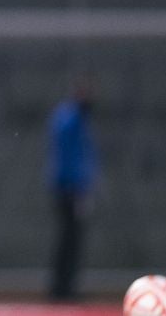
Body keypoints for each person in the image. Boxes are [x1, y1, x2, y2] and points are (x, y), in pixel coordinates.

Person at [47, 79, 99, 300]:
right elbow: (70, 156)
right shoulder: (69, 117)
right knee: (68, 240)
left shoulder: (75, 118)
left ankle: (65, 286)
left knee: (72, 240)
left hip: (72, 187)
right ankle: (62, 288)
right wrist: (79, 188)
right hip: (68, 189)